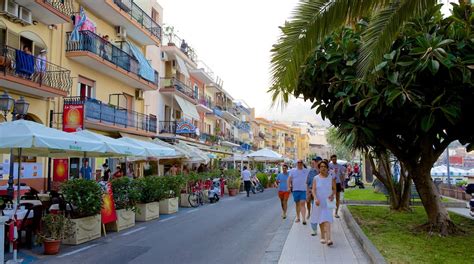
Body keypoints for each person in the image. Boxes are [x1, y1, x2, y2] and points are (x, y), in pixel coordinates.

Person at [311, 160, 336, 246]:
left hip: (328, 201)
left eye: (325, 167)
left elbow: (334, 189)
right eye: (321, 166)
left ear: (327, 168)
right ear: (319, 168)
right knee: (320, 219)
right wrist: (315, 199)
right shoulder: (316, 178)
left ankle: (329, 239)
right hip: (319, 202)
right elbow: (313, 190)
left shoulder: (331, 177)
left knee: (327, 219)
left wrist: (333, 195)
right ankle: (322, 236)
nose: (323, 168)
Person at [288, 159, 310, 224]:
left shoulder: (306, 171)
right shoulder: (292, 171)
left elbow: (309, 179)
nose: (300, 163)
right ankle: (298, 217)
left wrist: (309, 189)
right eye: (298, 162)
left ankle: (304, 219)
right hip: (295, 190)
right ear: (296, 163)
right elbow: (289, 179)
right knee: (297, 204)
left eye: (301, 162)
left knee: (302, 203)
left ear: (302, 163)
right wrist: (288, 187)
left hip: (304, 190)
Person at [307, 156, 322, 232]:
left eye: (318, 161)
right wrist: (308, 193)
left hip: (323, 194)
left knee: (322, 211)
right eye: (316, 162)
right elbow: (308, 183)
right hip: (314, 194)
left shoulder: (324, 171)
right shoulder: (311, 171)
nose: (317, 163)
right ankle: (314, 228)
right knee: (315, 210)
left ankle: (323, 227)